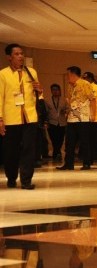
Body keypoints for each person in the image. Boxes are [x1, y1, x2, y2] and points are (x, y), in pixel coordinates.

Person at [0, 43, 43, 189]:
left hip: (29, 117)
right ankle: (11, 177)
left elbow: (37, 95)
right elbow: (0, 97)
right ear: (9, 57)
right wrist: (0, 119)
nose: (21, 56)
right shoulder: (3, 74)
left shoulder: (31, 72)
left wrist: (40, 90)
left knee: (29, 149)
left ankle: (26, 180)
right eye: (17, 54)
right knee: (10, 151)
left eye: (22, 54)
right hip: (11, 118)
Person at [56, 66, 94, 171]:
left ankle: (86, 163)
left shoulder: (85, 84)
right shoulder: (69, 86)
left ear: (73, 74)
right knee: (69, 142)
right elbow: (69, 100)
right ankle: (69, 164)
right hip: (71, 118)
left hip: (83, 118)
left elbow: (92, 99)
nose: (67, 77)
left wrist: (93, 115)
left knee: (84, 142)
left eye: (68, 74)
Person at [45, 83, 68, 162]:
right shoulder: (47, 100)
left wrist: (64, 111)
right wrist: (46, 122)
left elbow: (68, 109)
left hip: (62, 122)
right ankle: (57, 153)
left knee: (61, 139)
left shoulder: (64, 100)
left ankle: (57, 153)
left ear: (59, 91)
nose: (55, 91)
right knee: (53, 139)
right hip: (52, 122)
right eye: (53, 90)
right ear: (51, 91)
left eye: (57, 90)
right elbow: (46, 112)